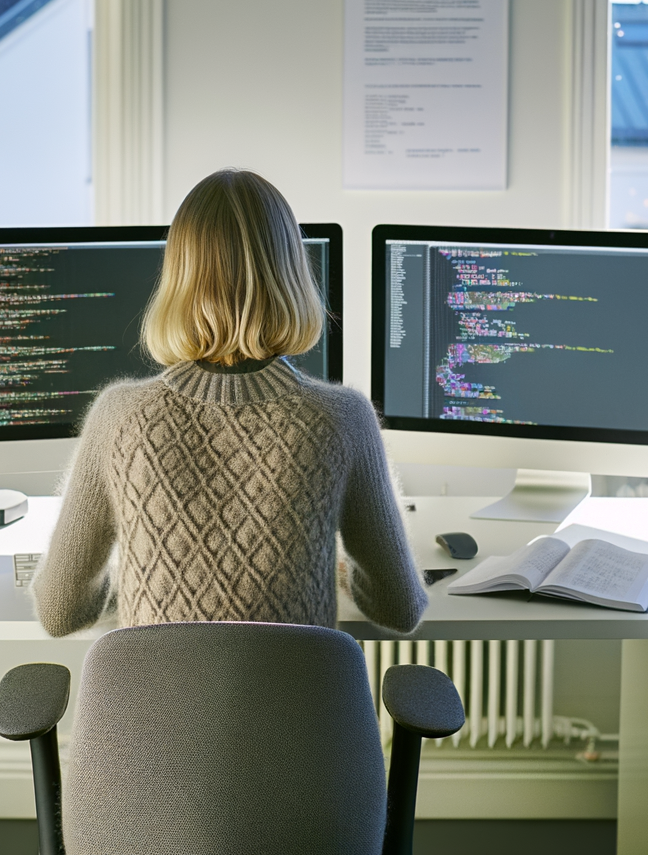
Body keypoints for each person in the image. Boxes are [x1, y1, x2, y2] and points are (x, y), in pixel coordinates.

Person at [33, 169, 429, 637]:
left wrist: (144, 574)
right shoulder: (343, 418)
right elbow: (400, 607)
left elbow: (60, 611)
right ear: (294, 276)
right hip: (299, 710)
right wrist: (329, 569)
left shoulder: (119, 418)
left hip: (151, 711)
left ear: (177, 280)